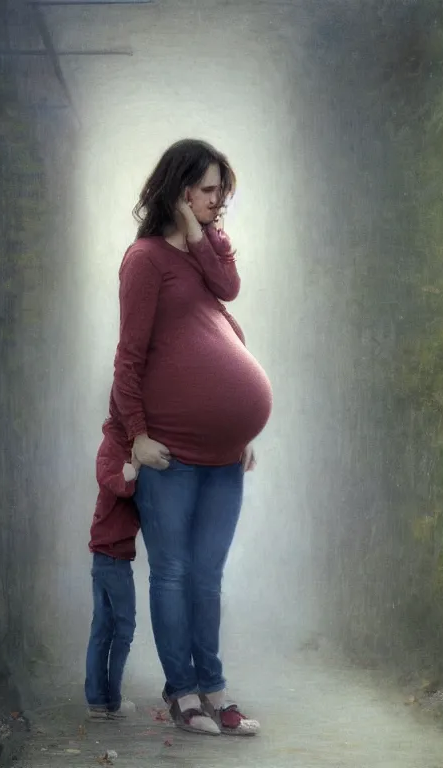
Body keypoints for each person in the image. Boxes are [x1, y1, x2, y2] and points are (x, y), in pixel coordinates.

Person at [111, 139, 273, 736]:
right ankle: (182, 693)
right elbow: (128, 358)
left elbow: (227, 293)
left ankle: (215, 689)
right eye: (208, 190)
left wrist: (238, 425)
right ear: (180, 189)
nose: (217, 200)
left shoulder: (206, 254)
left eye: (221, 192)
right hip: (169, 454)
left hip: (225, 455)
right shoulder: (145, 260)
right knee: (174, 573)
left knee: (207, 576)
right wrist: (137, 437)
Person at [84, 403, 141, 720]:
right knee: (123, 628)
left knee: (103, 627)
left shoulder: (120, 441)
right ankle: (112, 700)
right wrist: (134, 468)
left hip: (107, 553)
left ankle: (98, 702)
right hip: (112, 556)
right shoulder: (113, 444)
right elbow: (113, 481)